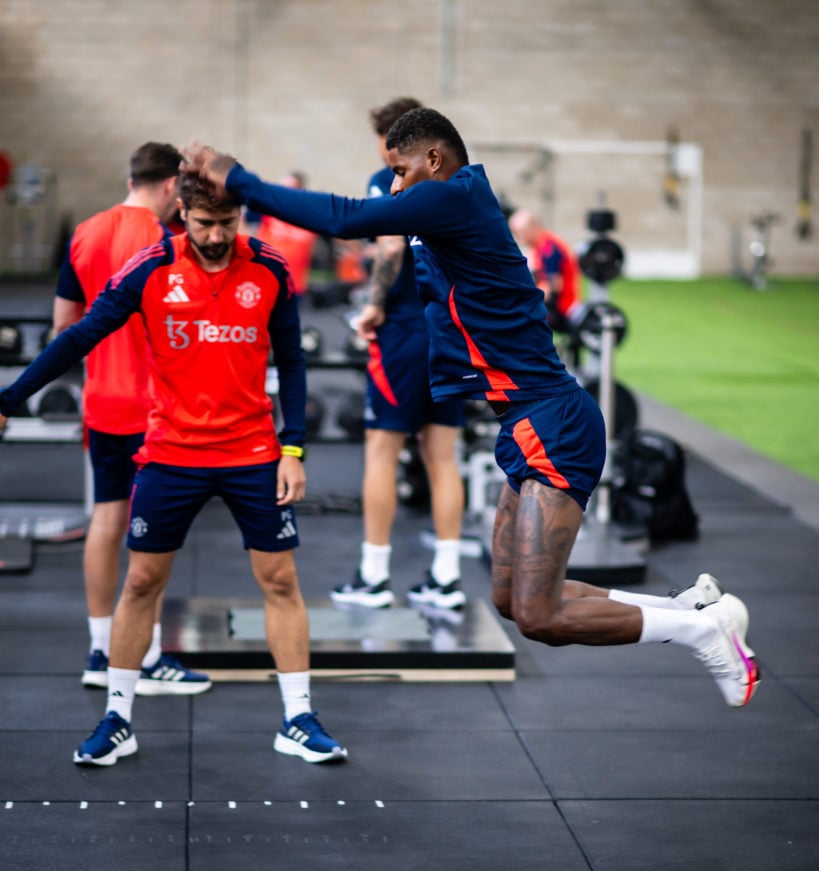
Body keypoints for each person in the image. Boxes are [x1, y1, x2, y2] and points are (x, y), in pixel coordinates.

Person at [180, 109, 760, 711]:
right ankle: (688, 609)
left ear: (433, 160)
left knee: (538, 614)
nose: (397, 186)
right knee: (512, 598)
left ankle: (699, 633)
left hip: (554, 424)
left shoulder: (453, 200)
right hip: (526, 423)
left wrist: (237, 178)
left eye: (400, 171)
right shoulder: (457, 205)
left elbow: (347, 218)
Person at [0, 171, 347, 766]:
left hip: (253, 453)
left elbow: (291, 362)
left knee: (283, 583)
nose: (215, 237)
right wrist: (10, 396)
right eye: (204, 223)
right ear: (180, 211)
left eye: (227, 224)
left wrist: (294, 448)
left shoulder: (267, 269)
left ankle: (297, 718)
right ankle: (117, 719)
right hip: (171, 451)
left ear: (241, 216)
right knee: (140, 584)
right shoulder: (149, 268)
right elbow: (80, 335)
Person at [53, 141, 210, 696]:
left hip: (101, 403)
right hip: (156, 411)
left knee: (106, 519)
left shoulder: (85, 232)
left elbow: (63, 329)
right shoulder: (170, 242)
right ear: (170, 185)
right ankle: (143, 654)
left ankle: (102, 650)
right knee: (154, 536)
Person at [331, 97, 466, 612]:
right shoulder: (456, 185)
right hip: (450, 334)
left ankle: (373, 577)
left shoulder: (387, 175)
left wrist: (372, 305)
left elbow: (390, 248)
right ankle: (448, 579)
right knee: (442, 457)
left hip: (404, 332)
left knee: (382, 454)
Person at [507, 208, 581, 335]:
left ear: (531, 228)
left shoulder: (548, 247)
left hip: (563, 308)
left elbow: (553, 286)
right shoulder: (542, 244)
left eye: (519, 233)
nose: (518, 238)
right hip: (558, 306)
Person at [244, 171, 317, 299]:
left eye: (291, 189)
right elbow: (240, 218)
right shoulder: (267, 209)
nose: (285, 193)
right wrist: (251, 242)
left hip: (294, 283)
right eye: (283, 188)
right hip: (266, 278)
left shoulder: (310, 215)